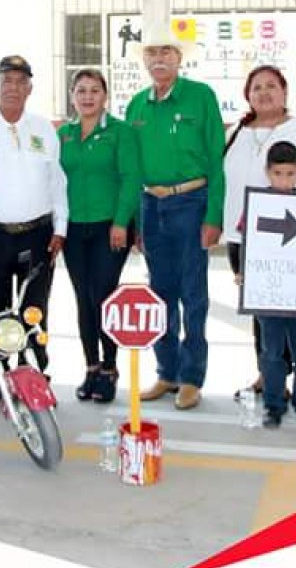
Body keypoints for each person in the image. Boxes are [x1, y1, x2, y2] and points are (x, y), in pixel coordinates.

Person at [125, 29, 225, 411]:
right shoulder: (136, 106)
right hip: (151, 207)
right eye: (152, 52)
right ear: (144, 60)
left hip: (192, 203)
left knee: (193, 294)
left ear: (180, 58)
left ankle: (191, 378)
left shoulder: (201, 98)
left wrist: (213, 214)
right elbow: (133, 170)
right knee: (159, 294)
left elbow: (216, 160)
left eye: (167, 51)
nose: (159, 58)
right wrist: (136, 219)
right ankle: (166, 372)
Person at [222, 65, 296, 402]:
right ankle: (267, 374)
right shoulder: (237, 132)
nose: (264, 92)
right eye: (257, 87)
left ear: (285, 91)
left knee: (285, 308)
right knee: (259, 309)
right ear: (247, 94)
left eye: (272, 86)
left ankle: (288, 379)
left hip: (287, 237)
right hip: (242, 234)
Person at [0, 55, 67, 382]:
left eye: (21, 82)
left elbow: (57, 182)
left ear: (30, 89)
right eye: (7, 81)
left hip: (38, 233)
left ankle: (33, 375)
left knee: (34, 310)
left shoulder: (44, 130)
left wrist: (60, 228)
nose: (13, 88)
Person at [58, 69, 139, 403]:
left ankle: (109, 368)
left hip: (111, 226)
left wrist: (121, 222)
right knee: (82, 297)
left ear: (105, 96)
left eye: (94, 90)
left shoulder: (120, 132)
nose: (87, 97)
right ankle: (90, 367)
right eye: (81, 90)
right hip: (75, 228)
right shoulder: (63, 134)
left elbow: (131, 178)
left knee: (102, 295)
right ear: (72, 95)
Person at [245, 141, 296, 429]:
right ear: (267, 173)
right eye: (278, 174)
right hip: (267, 292)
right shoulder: (258, 205)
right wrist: (243, 273)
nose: (284, 180)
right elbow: (247, 240)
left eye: (290, 174)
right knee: (271, 351)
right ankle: (273, 404)